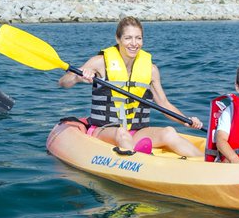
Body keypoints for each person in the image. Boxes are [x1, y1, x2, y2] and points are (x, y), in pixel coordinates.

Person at [57, 16, 202, 156]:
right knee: (122, 133)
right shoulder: (99, 62)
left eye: (138, 38)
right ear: (118, 39)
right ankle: (143, 164)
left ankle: (209, 164)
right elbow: (63, 82)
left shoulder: (151, 70)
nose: (134, 43)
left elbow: (164, 103)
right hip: (105, 130)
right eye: (128, 38)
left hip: (137, 132)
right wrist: (77, 77)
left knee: (169, 132)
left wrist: (186, 121)